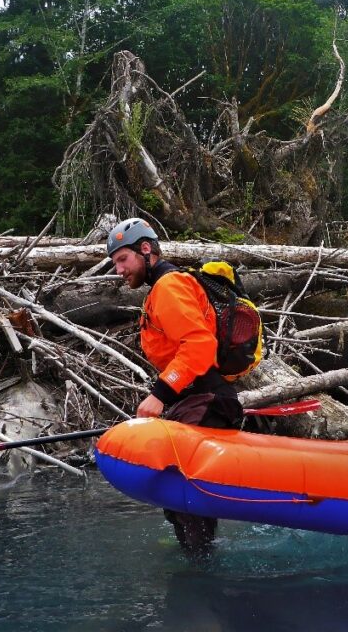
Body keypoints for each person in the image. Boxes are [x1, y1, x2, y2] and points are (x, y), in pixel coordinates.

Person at [107, 217, 243, 557]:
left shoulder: (168, 286)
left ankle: (203, 570)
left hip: (207, 399)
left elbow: (199, 346)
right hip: (199, 399)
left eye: (122, 259)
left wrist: (159, 395)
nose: (118, 270)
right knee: (179, 497)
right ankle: (200, 556)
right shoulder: (164, 289)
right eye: (114, 263)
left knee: (182, 492)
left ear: (146, 249)